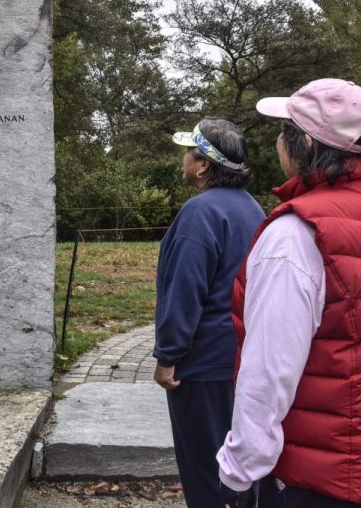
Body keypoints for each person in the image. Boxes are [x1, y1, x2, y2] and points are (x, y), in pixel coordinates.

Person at [217, 79, 361, 508]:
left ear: (305, 143)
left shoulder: (296, 234)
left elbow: (270, 368)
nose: (276, 142)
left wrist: (239, 470)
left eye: (283, 131)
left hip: (322, 478)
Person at [154, 118, 265, 508]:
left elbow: (185, 291)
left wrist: (168, 356)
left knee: (205, 469)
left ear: (203, 164)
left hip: (200, 365)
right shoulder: (254, 209)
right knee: (238, 466)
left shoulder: (199, 213)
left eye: (189, 152)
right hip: (241, 359)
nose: (183, 159)